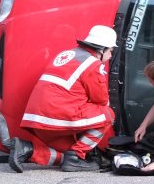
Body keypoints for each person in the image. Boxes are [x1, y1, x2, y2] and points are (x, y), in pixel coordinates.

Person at [8, 25, 118, 173]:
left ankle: (27, 149)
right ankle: (76, 156)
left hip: (37, 116)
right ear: (101, 49)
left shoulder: (68, 54)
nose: (110, 55)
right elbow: (101, 100)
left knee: (67, 155)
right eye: (110, 50)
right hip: (57, 114)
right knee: (107, 114)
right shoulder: (93, 64)